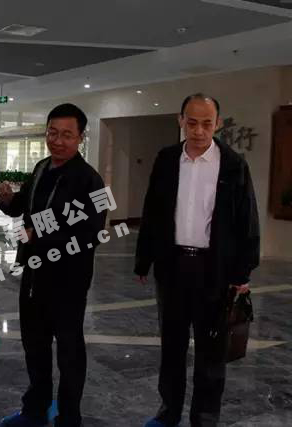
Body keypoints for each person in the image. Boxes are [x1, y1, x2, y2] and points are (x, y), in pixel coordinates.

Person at [135, 93, 260, 427]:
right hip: (173, 266)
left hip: (214, 270)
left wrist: (242, 272)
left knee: (211, 350)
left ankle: (205, 418)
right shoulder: (166, 159)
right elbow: (153, 210)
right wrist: (144, 258)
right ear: (181, 121)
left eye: (207, 123)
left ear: (217, 124)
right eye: (192, 122)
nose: (199, 130)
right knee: (171, 346)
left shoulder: (233, 164)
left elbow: (247, 219)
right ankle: (168, 412)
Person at [0, 103, 107, 427]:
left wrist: (40, 236)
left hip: (68, 280)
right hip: (34, 274)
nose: (57, 141)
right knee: (35, 346)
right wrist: (8, 200)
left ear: (81, 137)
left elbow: (92, 233)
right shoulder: (42, 167)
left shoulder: (91, 180)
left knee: (69, 352)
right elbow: (26, 207)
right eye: (52, 133)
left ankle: (69, 418)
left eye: (67, 135)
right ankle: (35, 409)